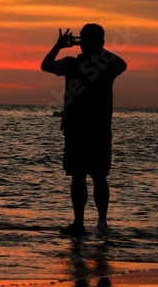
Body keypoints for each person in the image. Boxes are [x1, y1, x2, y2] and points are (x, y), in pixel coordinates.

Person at [40, 24, 127, 237]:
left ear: (83, 43)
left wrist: (60, 45)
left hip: (79, 128)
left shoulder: (72, 64)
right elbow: (121, 63)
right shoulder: (106, 64)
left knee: (81, 176)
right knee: (96, 175)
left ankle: (81, 224)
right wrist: (97, 49)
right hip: (96, 128)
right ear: (102, 43)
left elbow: (46, 64)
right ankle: (100, 223)